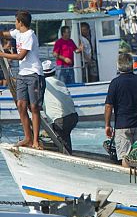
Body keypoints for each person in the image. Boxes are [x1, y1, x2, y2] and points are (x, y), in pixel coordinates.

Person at [0, 10, 43, 149]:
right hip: (22, 74)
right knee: (21, 105)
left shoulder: (30, 35)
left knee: (34, 107)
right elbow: (4, 34)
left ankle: (35, 140)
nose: (15, 23)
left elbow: (20, 56)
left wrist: (2, 54)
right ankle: (27, 137)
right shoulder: (17, 33)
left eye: (16, 21)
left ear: (20, 22)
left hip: (33, 74)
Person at [104, 52, 137, 166]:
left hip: (123, 125)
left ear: (118, 66)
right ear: (132, 65)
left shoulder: (115, 83)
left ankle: (128, 181)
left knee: (125, 156)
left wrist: (107, 125)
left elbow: (108, 106)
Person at [41, 60, 79, 154]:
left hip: (60, 121)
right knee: (65, 137)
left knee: (60, 140)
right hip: (73, 117)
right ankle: (68, 152)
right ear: (54, 71)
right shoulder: (60, 83)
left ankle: (66, 156)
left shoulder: (42, 84)